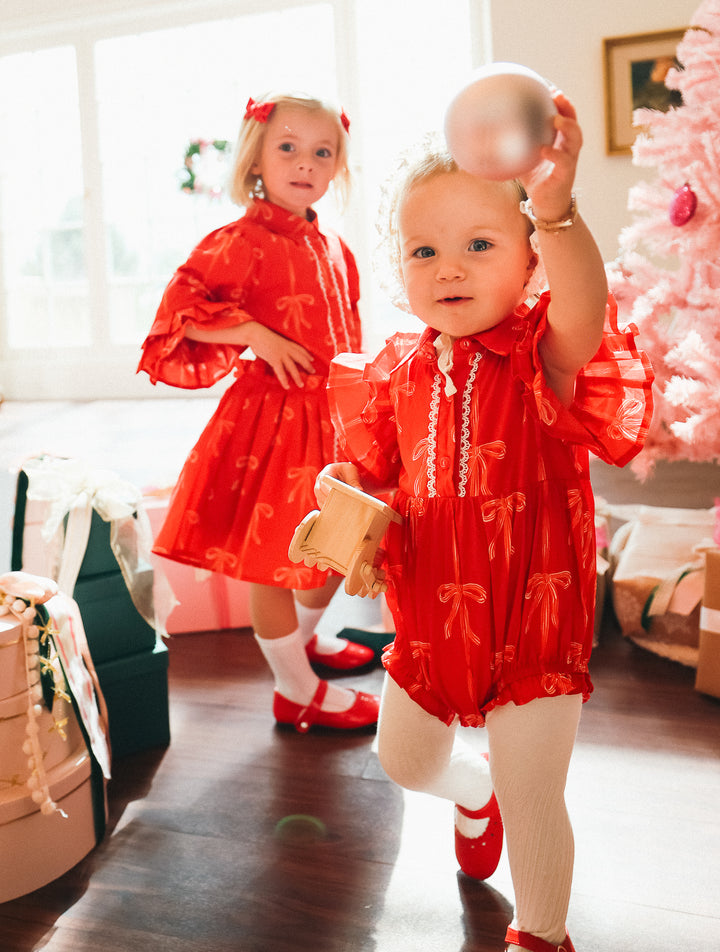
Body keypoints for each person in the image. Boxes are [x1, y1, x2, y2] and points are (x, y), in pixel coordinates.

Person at [316, 91, 654, 951]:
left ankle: (540, 934)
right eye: (425, 251)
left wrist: (556, 208)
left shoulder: (542, 352)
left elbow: (584, 302)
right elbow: (381, 478)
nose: (449, 268)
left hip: (538, 610)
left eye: (480, 244)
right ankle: (471, 791)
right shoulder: (397, 373)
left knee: (535, 786)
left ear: (529, 260)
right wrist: (345, 495)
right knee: (404, 762)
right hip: (432, 612)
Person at [138, 92, 380, 732]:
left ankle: (302, 643)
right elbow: (178, 307)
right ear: (257, 159)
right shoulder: (238, 241)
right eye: (289, 148)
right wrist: (253, 333)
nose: (306, 163)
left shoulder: (335, 250)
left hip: (328, 422)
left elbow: (346, 336)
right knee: (273, 561)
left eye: (322, 152)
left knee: (334, 542)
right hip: (270, 424)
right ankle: (294, 688)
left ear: (337, 167)